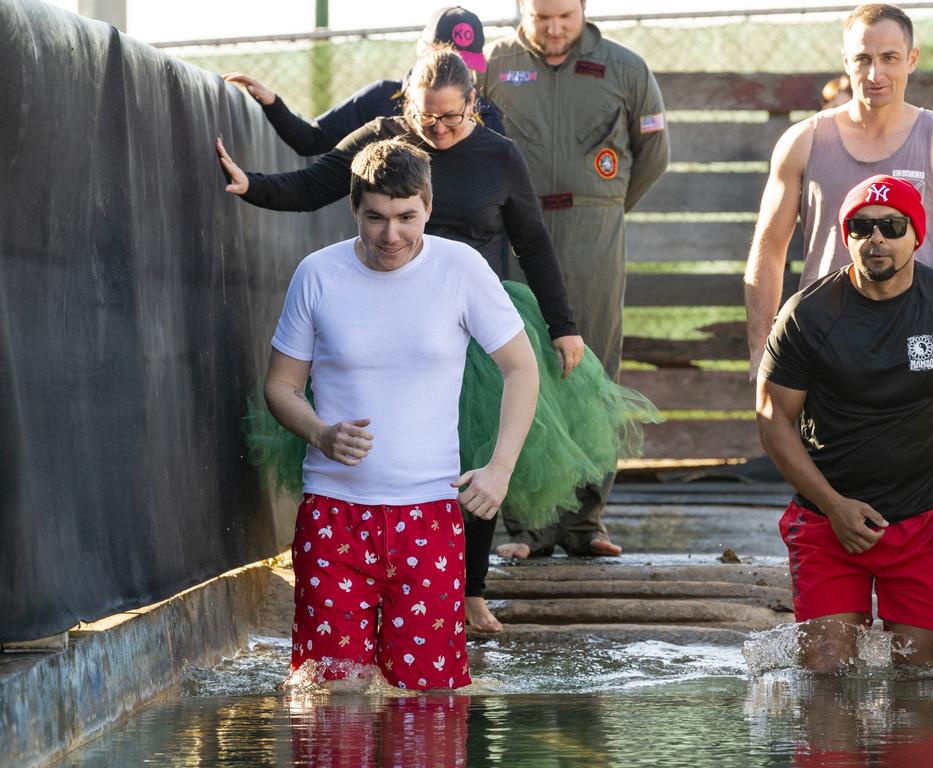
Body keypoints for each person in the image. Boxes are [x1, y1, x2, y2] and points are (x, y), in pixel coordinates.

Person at [219, 49, 657, 633]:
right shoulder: (385, 145)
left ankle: (471, 588)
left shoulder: (498, 155)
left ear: (472, 104)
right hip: (388, 307)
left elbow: (532, 240)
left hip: (475, 309)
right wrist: (252, 186)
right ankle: (381, 583)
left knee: (475, 446)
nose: (440, 130)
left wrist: (563, 324)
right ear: (409, 105)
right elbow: (317, 181)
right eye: (429, 118)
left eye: (452, 118)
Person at [266, 138, 538, 690]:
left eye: (406, 217)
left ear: (428, 208)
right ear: (353, 210)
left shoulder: (460, 269)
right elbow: (281, 386)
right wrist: (319, 431)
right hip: (334, 516)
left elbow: (522, 369)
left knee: (430, 701)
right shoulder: (318, 274)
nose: (392, 236)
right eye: (376, 218)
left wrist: (500, 468)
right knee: (331, 696)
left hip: (429, 517)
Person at [756, 174, 933, 671]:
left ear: (918, 235)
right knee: (826, 674)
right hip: (829, 522)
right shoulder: (807, 315)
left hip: (923, 524)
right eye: (862, 227)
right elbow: (774, 418)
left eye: (892, 226)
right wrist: (833, 506)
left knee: (920, 678)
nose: (877, 239)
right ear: (846, 237)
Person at [480, 0, 670, 561]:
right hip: (514, 230)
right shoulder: (491, 63)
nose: (555, 28)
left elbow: (653, 155)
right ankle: (528, 526)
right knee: (519, 364)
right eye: (542, 17)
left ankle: (586, 522)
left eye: (565, 15)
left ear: (585, 9)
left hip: (593, 234)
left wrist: (603, 208)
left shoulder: (626, 68)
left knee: (591, 367)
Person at [744, 3, 933, 382]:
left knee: (916, 443)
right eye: (863, 59)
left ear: (912, 60)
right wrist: (761, 347)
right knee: (810, 443)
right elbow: (769, 248)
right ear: (846, 61)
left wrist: (912, 292)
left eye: (890, 58)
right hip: (822, 341)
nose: (875, 73)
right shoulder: (802, 141)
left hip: (914, 339)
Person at [224, 6, 504, 154]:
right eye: (443, 56)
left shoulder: (487, 114)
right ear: (422, 51)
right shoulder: (382, 98)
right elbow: (312, 140)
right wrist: (273, 103)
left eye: (464, 63)